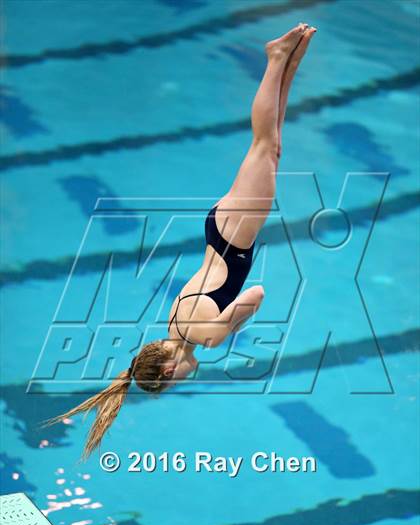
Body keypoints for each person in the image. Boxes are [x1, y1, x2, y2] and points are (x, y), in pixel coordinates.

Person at [45, 24, 316, 459]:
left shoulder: (201, 337)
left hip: (235, 234)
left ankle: (275, 57)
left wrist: (227, 330)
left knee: (264, 146)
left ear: (169, 370)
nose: (183, 381)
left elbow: (257, 294)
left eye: (173, 382)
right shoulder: (173, 323)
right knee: (271, 147)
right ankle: (291, 59)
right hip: (222, 230)